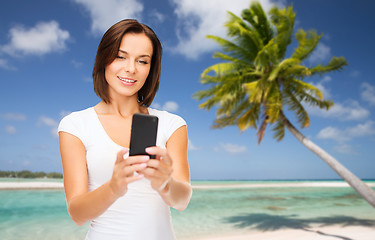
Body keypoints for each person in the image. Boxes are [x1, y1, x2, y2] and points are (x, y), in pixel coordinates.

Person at [58, 19, 192, 240]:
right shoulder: (75, 125)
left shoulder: (171, 124)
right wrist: (114, 187)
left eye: (142, 61)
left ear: (151, 69)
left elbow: (182, 201)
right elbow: (77, 214)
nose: (131, 68)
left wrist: (166, 184)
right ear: (104, 58)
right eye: (121, 56)